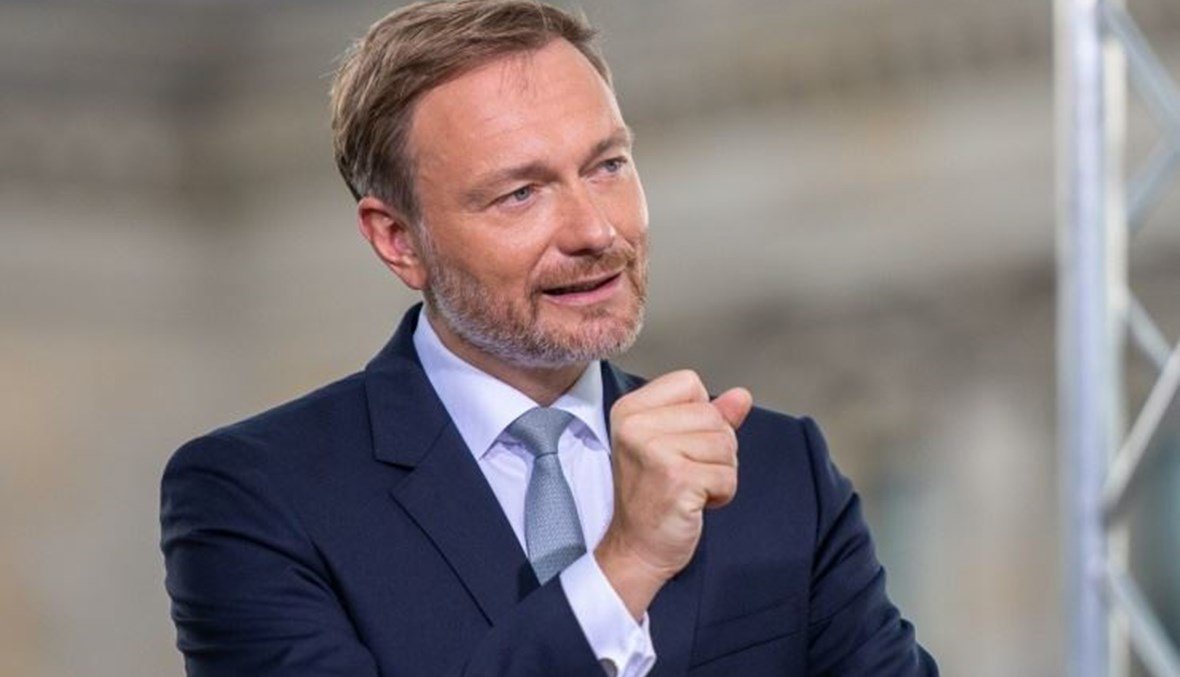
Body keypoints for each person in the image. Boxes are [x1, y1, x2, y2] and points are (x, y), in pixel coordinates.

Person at [159, 1, 938, 675]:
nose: (594, 229)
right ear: (398, 239)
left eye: (608, 165)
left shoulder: (779, 471)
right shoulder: (260, 498)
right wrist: (624, 566)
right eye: (521, 192)